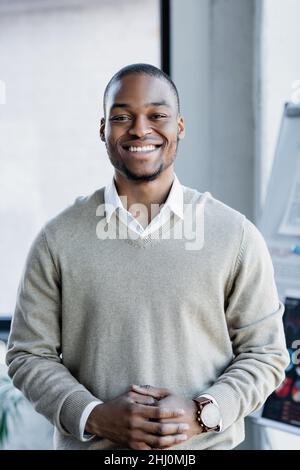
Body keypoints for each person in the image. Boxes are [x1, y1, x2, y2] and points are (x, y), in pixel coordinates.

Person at [6, 63, 289, 450]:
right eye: (122, 117)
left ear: (180, 127)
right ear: (103, 129)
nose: (140, 129)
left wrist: (202, 412)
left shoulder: (235, 236)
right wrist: (94, 416)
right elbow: (28, 354)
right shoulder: (57, 239)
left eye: (157, 115)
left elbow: (266, 354)